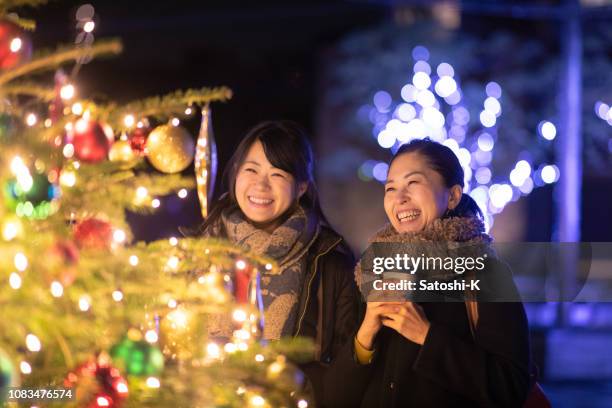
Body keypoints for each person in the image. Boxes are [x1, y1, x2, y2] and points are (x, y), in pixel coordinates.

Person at [327, 138, 531, 407]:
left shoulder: (483, 274)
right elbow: (335, 398)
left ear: (453, 196)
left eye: (413, 183)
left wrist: (426, 335)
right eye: (391, 188)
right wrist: (366, 333)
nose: (400, 198)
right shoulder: (370, 271)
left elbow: (511, 387)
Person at [199, 120, 359, 404]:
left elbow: (345, 367)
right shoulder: (201, 250)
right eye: (251, 170)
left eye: (277, 174)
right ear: (236, 173)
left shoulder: (330, 261)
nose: (261, 184)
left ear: (301, 187)